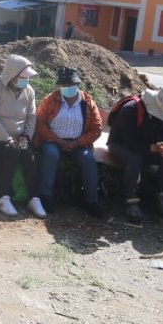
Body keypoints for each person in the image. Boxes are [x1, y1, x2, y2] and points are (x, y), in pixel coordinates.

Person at [0, 55, 45, 218]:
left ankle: (34, 198)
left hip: (19, 137)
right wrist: (7, 138)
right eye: (22, 77)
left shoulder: (29, 91)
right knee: (12, 153)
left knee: (28, 155)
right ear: (12, 75)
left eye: (27, 77)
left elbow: (31, 116)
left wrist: (26, 136)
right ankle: (2, 197)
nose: (26, 81)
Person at [105, 86, 163, 223]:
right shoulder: (130, 110)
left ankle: (162, 197)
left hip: (151, 148)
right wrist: (152, 148)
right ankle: (131, 201)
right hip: (121, 145)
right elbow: (128, 142)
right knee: (135, 158)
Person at [34, 68, 103, 217]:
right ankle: (45, 196)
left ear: (77, 85)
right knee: (50, 154)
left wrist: (78, 142)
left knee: (88, 159)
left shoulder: (88, 102)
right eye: (64, 85)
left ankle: (92, 200)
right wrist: (59, 141)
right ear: (59, 86)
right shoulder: (49, 100)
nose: (68, 88)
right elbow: (40, 123)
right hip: (53, 140)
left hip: (78, 143)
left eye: (71, 85)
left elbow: (96, 128)